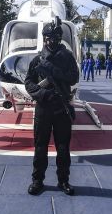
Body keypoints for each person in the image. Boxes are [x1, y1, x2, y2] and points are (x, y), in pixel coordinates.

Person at [24, 17, 79, 196]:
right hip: (43, 108)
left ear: (59, 38)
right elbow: (29, 82)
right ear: (44, 39)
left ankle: (63, 180)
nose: (51, 41)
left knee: (63, 147)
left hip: (61, 106)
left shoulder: (67, 58)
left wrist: (55, 73)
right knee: (40, 146)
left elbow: (74, 78)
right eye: (48, 38)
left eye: (54, 37)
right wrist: (42, 94)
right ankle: (37, 179)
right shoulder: (37, 60)